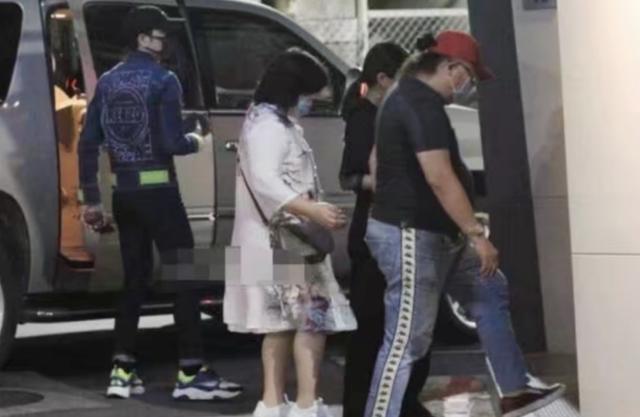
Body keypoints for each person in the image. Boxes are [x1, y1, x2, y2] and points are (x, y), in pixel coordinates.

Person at [364, 32, 565, 417]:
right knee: (407, 340)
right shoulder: (419, 103)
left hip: (436, 234)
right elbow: (439, 176)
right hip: (413, 235)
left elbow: (377, 162)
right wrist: (476, 234)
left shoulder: (407, 97)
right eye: (469, 75)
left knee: (489, 286)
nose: (469, 84)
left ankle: (514, 389)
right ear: (451, 67)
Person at [78, 6, 242, 401]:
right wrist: (197, 140)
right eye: (159, 36)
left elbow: (87, 143)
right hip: (160, 193)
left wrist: (92, 199)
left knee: (134, 281)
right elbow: (171, 142)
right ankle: (191, 372)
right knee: (185, 277)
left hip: (124, 196)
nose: (165, 43)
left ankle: (121, 371)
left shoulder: (108, 82)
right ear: (141, 39)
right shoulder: (165, 81)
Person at [223, 48, 357, 417]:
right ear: (293, 91)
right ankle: (306, 404)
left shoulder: (263, 121)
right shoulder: (270, 128)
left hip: (271, 241)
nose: (311, 103)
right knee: (313, 320)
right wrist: (312, 209)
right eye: (310, 95)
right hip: (285, 241)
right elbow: (266, 181)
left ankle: (272, 404)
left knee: (279, 325)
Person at [339, 42, 434, 417]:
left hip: (395, 231)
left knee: (399, 328)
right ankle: (364, 406)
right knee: (371, 329)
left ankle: (401, 403)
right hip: (374, 235)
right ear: (382, 79)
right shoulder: (364, 118)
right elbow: (350, 177)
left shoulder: (393, 114)